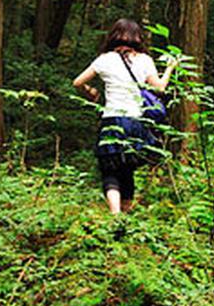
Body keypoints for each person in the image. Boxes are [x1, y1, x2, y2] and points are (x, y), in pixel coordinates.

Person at [72, 18, 177, 214]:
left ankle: (115, 213)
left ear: (113, 36)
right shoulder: (145, 60)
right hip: (136, 121)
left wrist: (91, 92)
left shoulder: (105, 59)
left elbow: (77, 82)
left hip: (112, 118)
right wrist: (170, 68)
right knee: (127, 168)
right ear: (137, 38)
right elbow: (160, 88)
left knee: (109, 168)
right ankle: (126, 214)